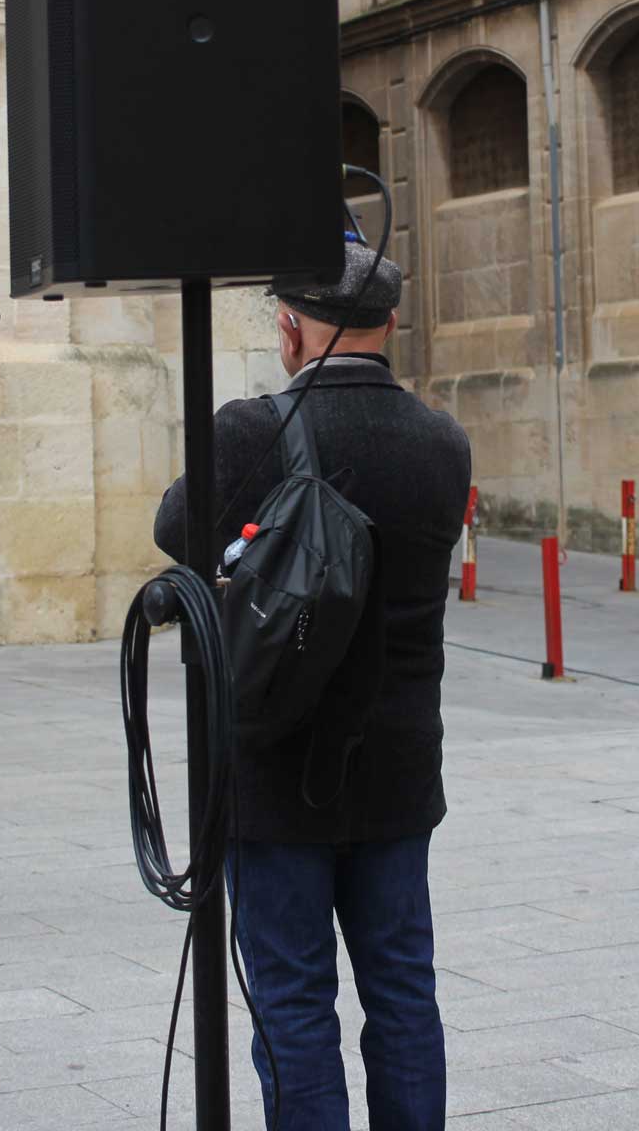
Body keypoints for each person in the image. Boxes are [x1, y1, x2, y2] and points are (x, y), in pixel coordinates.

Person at [153, 242, 471, 1130]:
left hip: (276, 761)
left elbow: (174, 526)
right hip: (400, 765)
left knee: (292, 1000)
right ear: (393, 324)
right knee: (404, 993)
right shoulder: (444, 442)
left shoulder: (251, 430)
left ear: (290, 328)